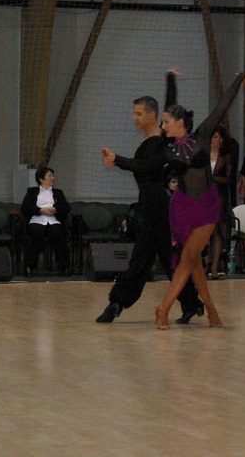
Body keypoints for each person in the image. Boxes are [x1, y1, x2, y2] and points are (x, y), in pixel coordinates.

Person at [154, 70, 245, 330]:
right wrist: (171, 81)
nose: (163, 126)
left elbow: (222, 106)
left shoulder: (202, 135)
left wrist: (238, 78)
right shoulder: (169, 145)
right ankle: (212, 312)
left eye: (167, 122)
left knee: (188, 257)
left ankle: (163, 309)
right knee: (193, 261)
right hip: (182, 208)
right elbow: (169, 108)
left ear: (180, 122)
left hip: (207, 205)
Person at [97, 95, 201, 324]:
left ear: (152, 114)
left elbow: (147, 166)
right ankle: (191, 303)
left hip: (156, 204)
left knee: (143, 257)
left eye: (139, 113)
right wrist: (116, 162)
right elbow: (141, 168)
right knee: (162, 257)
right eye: (134, 113)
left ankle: (117, 303)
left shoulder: (159, 141)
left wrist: (117, 160)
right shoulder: (150, 140)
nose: (134, 118)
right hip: (149, 202)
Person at [20, 167, 71, 276]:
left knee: (58, 233)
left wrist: (55, 209)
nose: (53, 178)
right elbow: (25, 207)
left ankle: (63, 266)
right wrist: (40, 210)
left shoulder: (58, 193)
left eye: (53, 175)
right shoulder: (31, 192)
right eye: (50, 176)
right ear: (41, 179)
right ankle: (30, 265)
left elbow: (66, 207)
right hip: (37, 219)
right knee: (36, 232)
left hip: (53, 220)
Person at [208, 126, 233, 279]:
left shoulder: (226, 157)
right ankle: (204, 265)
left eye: (216, 137)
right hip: (203, 196)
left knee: (216, 230)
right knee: (203, 231)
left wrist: (211, 178)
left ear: (221, 139)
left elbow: (227, 179)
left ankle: (215, 268)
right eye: (212, 137)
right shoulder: (204, 155)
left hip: (219, 196)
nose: (213, 140)